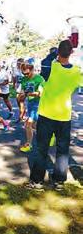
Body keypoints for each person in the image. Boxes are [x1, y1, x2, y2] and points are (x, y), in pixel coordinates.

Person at [29, 40, 82, 189]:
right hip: (64, 116)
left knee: (41, 148)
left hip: (46, 114)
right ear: (71, 53)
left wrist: (57, 52)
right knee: (62, 150)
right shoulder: (76, 71)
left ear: (58, 52)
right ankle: (59, 181)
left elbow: (46, 60)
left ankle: (37, 181)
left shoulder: (50, 66)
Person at [19, 59, 45, 153]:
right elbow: (22, 91)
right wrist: (22, 95)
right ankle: (49, 134)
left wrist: (28, 94)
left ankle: (29, 144)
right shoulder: (23, 79)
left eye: (27, 73)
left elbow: (41, 93)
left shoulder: (39, 78)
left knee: (28, 124)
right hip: (30, 104)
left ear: (32, 70)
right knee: (34, 125)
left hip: (39, 104)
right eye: (23, 73)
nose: (25, 75)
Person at [12, 58, 25, 122]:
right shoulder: (15, 70)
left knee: (21, 102)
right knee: (18, 102)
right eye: (18, 63)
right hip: (17, 87)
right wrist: (14, 85)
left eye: (20, 63)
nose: (19, 64)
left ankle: (21, 117)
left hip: (23, 88)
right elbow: (14, 77)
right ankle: (22, 114)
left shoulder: (25, 69)